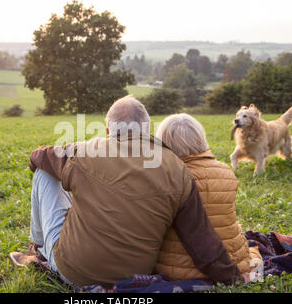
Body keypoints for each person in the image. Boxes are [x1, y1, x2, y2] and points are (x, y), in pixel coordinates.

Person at [12, 95, 244, 288]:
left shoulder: (85, 151)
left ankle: (40, 247)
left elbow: (38, 156)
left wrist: (46, 166)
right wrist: (233, 278)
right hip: (133, 278)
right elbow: (201, 239)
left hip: (73, 271)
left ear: (107, 130)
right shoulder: (177, 168)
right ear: (147, 128)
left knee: (45, 172)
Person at [154, 113, 262, 281]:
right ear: (200, 138)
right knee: (252, 247)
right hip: (234, 262)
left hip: (174, 269)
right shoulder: (225, 171)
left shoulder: (164, 177)